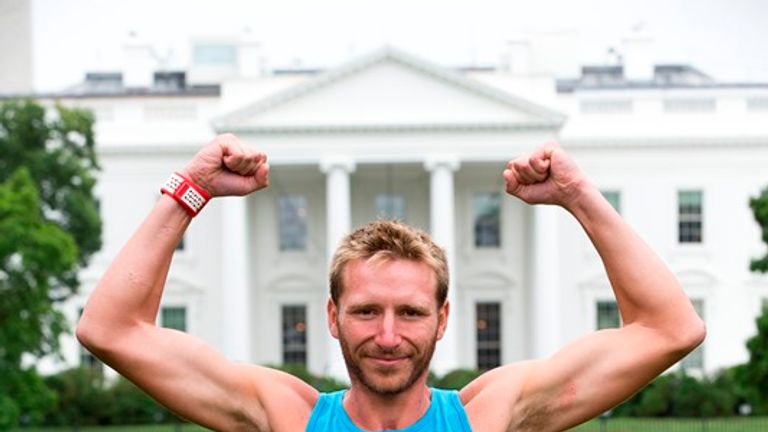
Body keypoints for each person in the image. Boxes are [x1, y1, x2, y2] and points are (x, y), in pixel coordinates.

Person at [77, 133, 705, 431]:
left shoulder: (489, 416)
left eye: (410, 312)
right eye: (365, 311)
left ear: (442, 319)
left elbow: (671, 329)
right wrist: (191, 188)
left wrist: (579, 195)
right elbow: (110, 330)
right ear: (332, 317)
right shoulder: (286, 417)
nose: (386, 336)